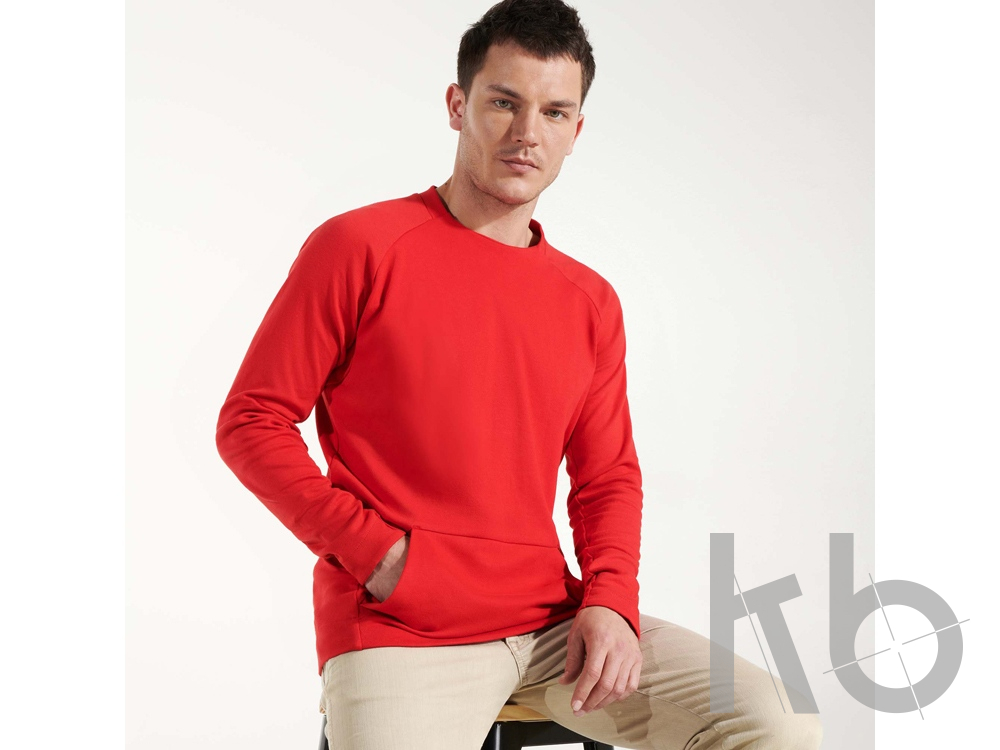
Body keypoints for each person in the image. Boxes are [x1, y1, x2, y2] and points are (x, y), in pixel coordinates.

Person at [215, 0, 825, 747]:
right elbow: (251, 422)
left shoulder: (588, 300)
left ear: (576, 130)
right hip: (403, 627)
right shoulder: (359, 247)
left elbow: (606, 477)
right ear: (458, 106)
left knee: (774, 720)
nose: (527, 132)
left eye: (553, 111)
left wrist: (611, 601)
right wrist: (381, 557)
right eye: (504, 102)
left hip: (550, 626)